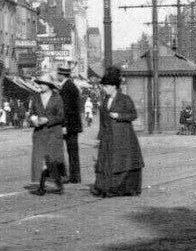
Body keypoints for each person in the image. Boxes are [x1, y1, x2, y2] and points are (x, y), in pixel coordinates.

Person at [91, 66, 143, 197]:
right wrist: (99, 138)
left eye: (106, 86)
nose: (104, 89)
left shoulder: (125, 99)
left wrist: (119, 116)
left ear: (114, 86)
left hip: (123, 137)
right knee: (106, 162)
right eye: (104, 86)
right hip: (108, 137)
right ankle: (105, 187)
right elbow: (102, 122)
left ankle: (120, 189)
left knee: (121, 162)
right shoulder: (104, 101)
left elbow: (133, 115)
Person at [28, 73, 66, 196]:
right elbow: (31, 114)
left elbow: (61, 116)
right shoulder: (35, 97)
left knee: (52, 160)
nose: (41, 86)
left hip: (53, 133)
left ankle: (58, 183)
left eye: (43, 84)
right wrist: (34, 120)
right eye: (40, 83)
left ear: (49, 85)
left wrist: (48, 120)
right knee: (41, 160)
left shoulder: (57, 97)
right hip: (40, 133)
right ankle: (41, 186)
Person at [55, 68, 82, 183]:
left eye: (58, 74)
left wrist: (64, 125)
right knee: (73, 151)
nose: (57, 76)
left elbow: (66, 108)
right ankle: (74, 177)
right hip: (73, 124)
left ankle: (71, 176)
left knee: (70, 151)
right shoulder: (71, 86)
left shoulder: (67, 88)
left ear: (62, 75)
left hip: (69, 125)